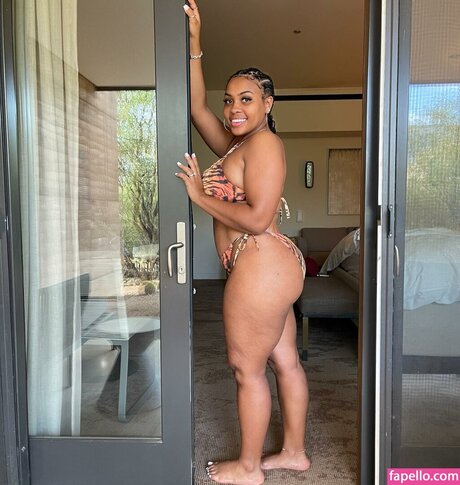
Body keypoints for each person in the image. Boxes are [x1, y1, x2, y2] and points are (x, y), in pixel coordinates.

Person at [176, 2, 310, 483]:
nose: (234, 108)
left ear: (267, 104)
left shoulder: (266, 144)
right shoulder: (238, 146)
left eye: (247, 99)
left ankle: (250, 467)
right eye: (230, 99)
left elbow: (257, 219)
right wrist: (196, 45)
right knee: (284, 359)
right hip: (269, 267)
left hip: (261, 263)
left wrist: (199, 197)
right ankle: (293, 452)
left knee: (245, 369)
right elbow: (197, 108)